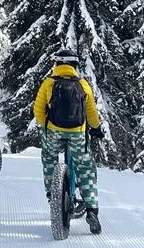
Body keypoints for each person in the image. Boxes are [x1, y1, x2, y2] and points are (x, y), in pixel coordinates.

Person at [33, 49, 104, 234]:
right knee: (86, 169)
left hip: (53, 132)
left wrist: (46, 126)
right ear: (75, 65)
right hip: (78, 134)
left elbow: (38, 110)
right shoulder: (82, 84)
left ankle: (52, 194)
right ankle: (92, 210)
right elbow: (91, 112)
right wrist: (96, 128)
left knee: (49, 157)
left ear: (57, 64)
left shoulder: (49, 83)